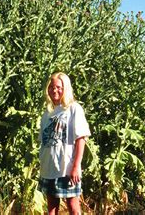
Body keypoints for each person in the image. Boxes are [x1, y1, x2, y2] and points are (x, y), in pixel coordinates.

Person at [38, 72, 91, 215]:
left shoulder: (73, 108)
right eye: (51, 87)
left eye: (58, 87)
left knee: (73, 208)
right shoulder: (47, 113)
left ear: (65, 88)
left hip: (66, 168)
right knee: (51, 209)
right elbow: (44, 142)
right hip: (48, 168)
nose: (54, 90)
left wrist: (76, 166)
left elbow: (81, 138)